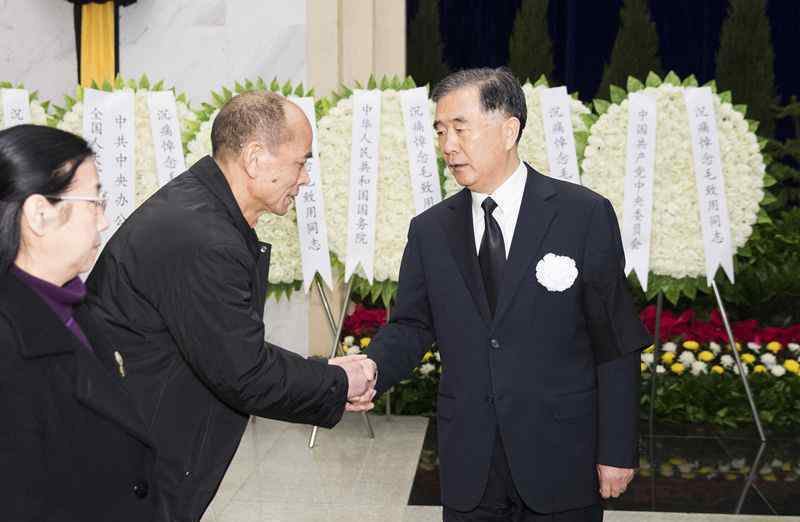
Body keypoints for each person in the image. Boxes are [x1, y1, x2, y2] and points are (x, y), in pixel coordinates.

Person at [366, 68, 651, 521]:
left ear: (508, 129)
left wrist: (617, 448)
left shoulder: (583, 215)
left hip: (562, 460)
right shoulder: (431, 231)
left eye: (460, 129)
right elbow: (411, 326)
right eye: (440, 131)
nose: (447, 146)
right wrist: (370, 368)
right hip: (470, 464)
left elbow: (614, 341)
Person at [85, 91, 377, 522]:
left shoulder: (201, 213)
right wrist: (334, 381)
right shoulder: (202, 237)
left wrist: (322, 375)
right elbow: (243, 374)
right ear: (256, 158)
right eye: (301, 162)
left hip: (139, 448)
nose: (306, 179)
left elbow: (226, 352)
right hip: (132, 463)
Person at [0, 124, 166, 521]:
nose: (104, 221)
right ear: (40, 214)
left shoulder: (74, 305)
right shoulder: (8, 342)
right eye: (94, 203)